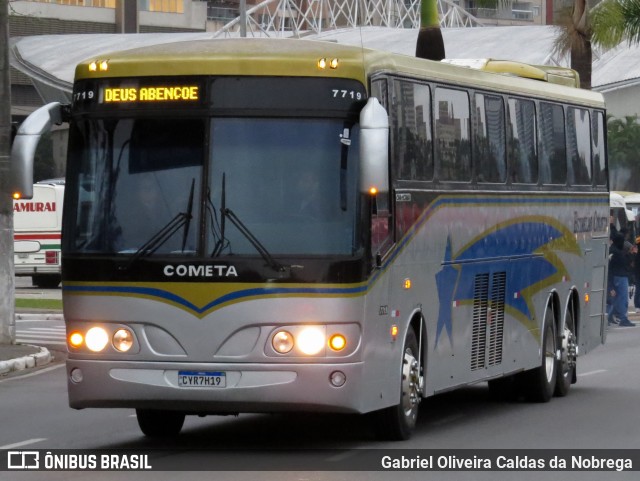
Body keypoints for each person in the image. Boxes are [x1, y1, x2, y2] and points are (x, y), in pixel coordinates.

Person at [608, 233, 636, 327]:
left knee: (616, 299)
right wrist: (631, 254)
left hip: (614, 277)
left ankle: (609, 316)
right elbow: (625, 263)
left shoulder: (611, 250)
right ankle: (623, 319)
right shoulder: (617, 252)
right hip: (621, 276)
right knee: (623, 299)